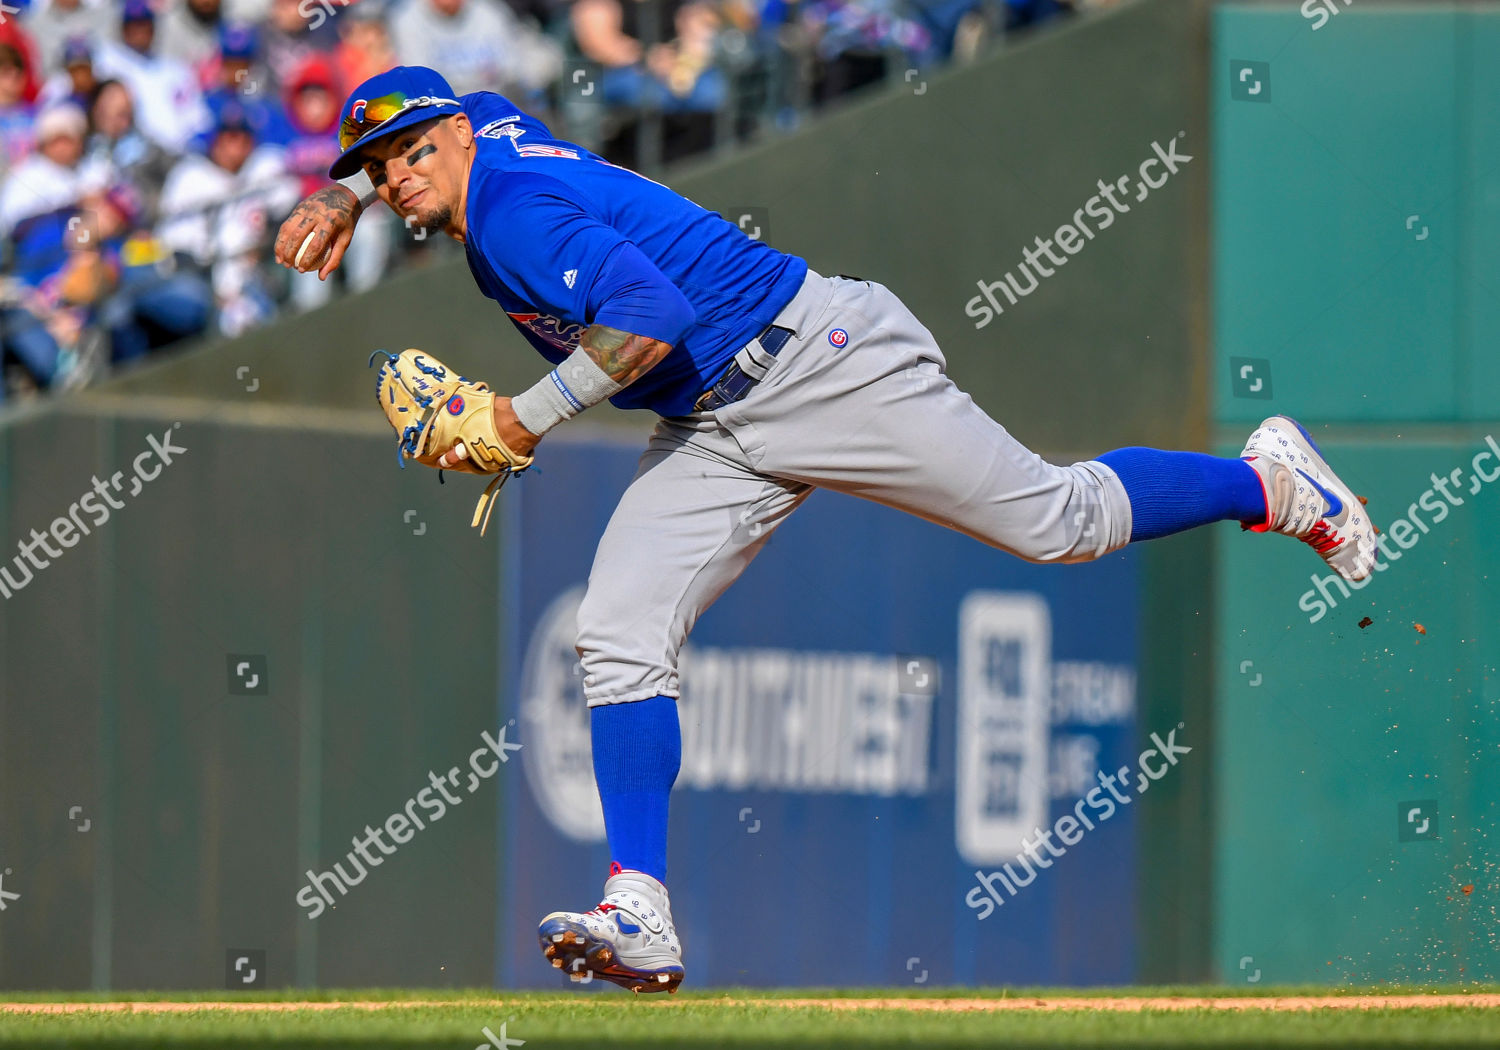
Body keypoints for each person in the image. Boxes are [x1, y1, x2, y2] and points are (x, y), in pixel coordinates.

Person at [274, 65, 1379, 993]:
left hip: (815, 363)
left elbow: (651, 318)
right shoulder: (490, 146)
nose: (397, 174)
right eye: (380, 166)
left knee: (1059, 520)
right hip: (714, 423)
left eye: (411, 154)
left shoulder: (508, 215)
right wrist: (350, 200)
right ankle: (640, 908)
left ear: (458, 139)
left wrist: (521, 419)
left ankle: (1267, 483)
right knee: (615, 632)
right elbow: (457, 114)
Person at [92, 0, 213, 152]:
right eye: (134, 25)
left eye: (144, 24)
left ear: (154, 28)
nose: (140, 31)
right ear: (123, 28)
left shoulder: (175, 70)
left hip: (177, 154)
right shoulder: (107, 61)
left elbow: (198, 118)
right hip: (128, 150)